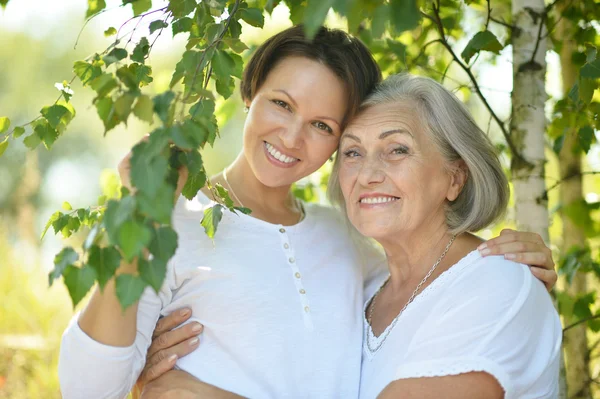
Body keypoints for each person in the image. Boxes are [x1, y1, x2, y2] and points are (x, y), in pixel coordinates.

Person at [57, 26, 557, 399]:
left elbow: (436, 269)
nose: (292, 138)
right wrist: (140, 220)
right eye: (280, 103)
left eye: (322, 125)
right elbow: (86, 388)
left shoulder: (349, 238)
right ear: (249, 94)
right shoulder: (169, 226)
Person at [329, 74, 561, 398]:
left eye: (397, 149)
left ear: (455, 178)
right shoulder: (361, 291)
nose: (367, 175)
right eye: (352, 152)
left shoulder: (497, 282)